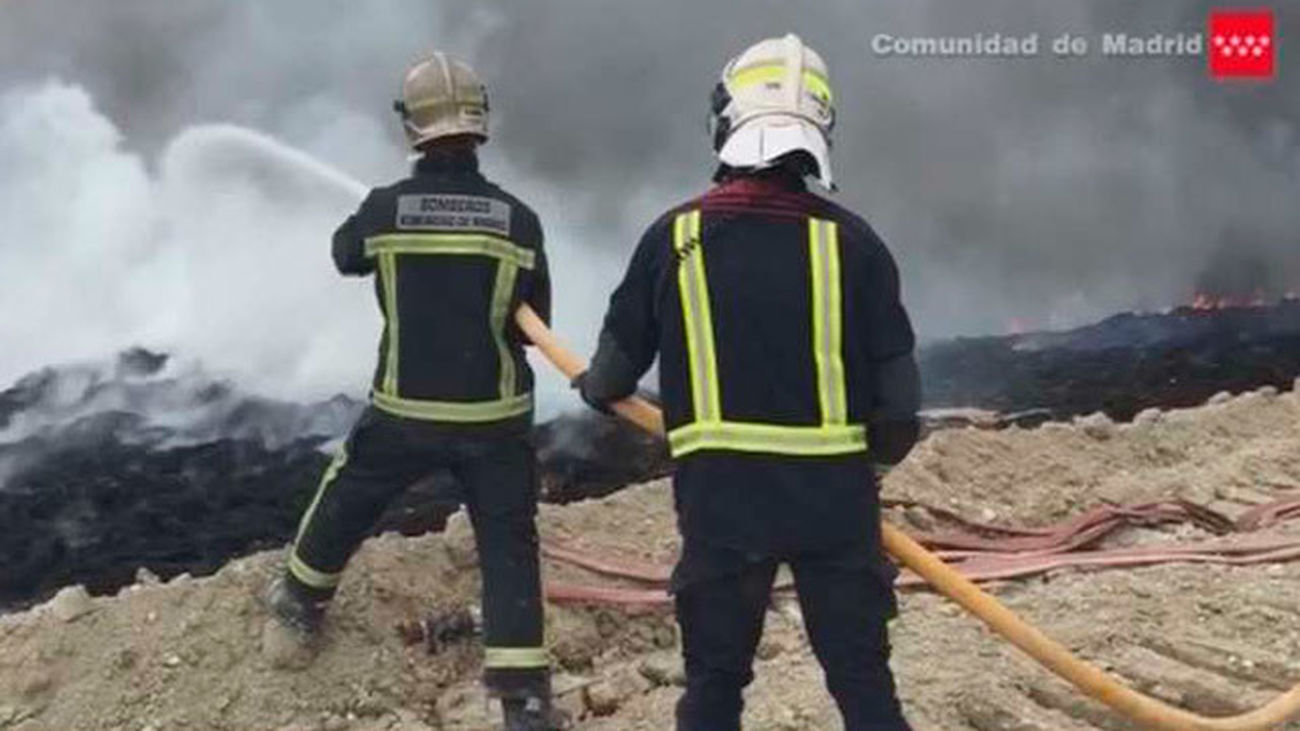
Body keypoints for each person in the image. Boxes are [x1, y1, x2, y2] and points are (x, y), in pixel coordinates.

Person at [575, 34, 920, 731]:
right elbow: (900, 412)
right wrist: (858, 470)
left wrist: (592, 385)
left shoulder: (672, 240)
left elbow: (613, 372)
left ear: (726, 122)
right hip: (833, 505)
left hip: (722, 504)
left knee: (714, 687)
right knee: (862, 684)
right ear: (818, 132)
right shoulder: (856, 245)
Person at [264, 51, 565, 730]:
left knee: (350, 491)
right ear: (481, 122)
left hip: (407, 410)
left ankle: (297, 602)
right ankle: (523, 701)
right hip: (495, 417)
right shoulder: (518, 221)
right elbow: (535, 320)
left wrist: (389, 224)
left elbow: (344, 255)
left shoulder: (386, 210)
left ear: (411, 128)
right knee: (508, 541)